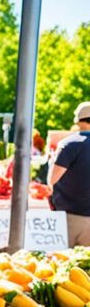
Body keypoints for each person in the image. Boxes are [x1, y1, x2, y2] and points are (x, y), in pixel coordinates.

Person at [49, 102, 90, 246]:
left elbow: (52, 179)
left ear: (78, 121)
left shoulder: (70, 143)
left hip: (70, 218)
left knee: (65, 264)